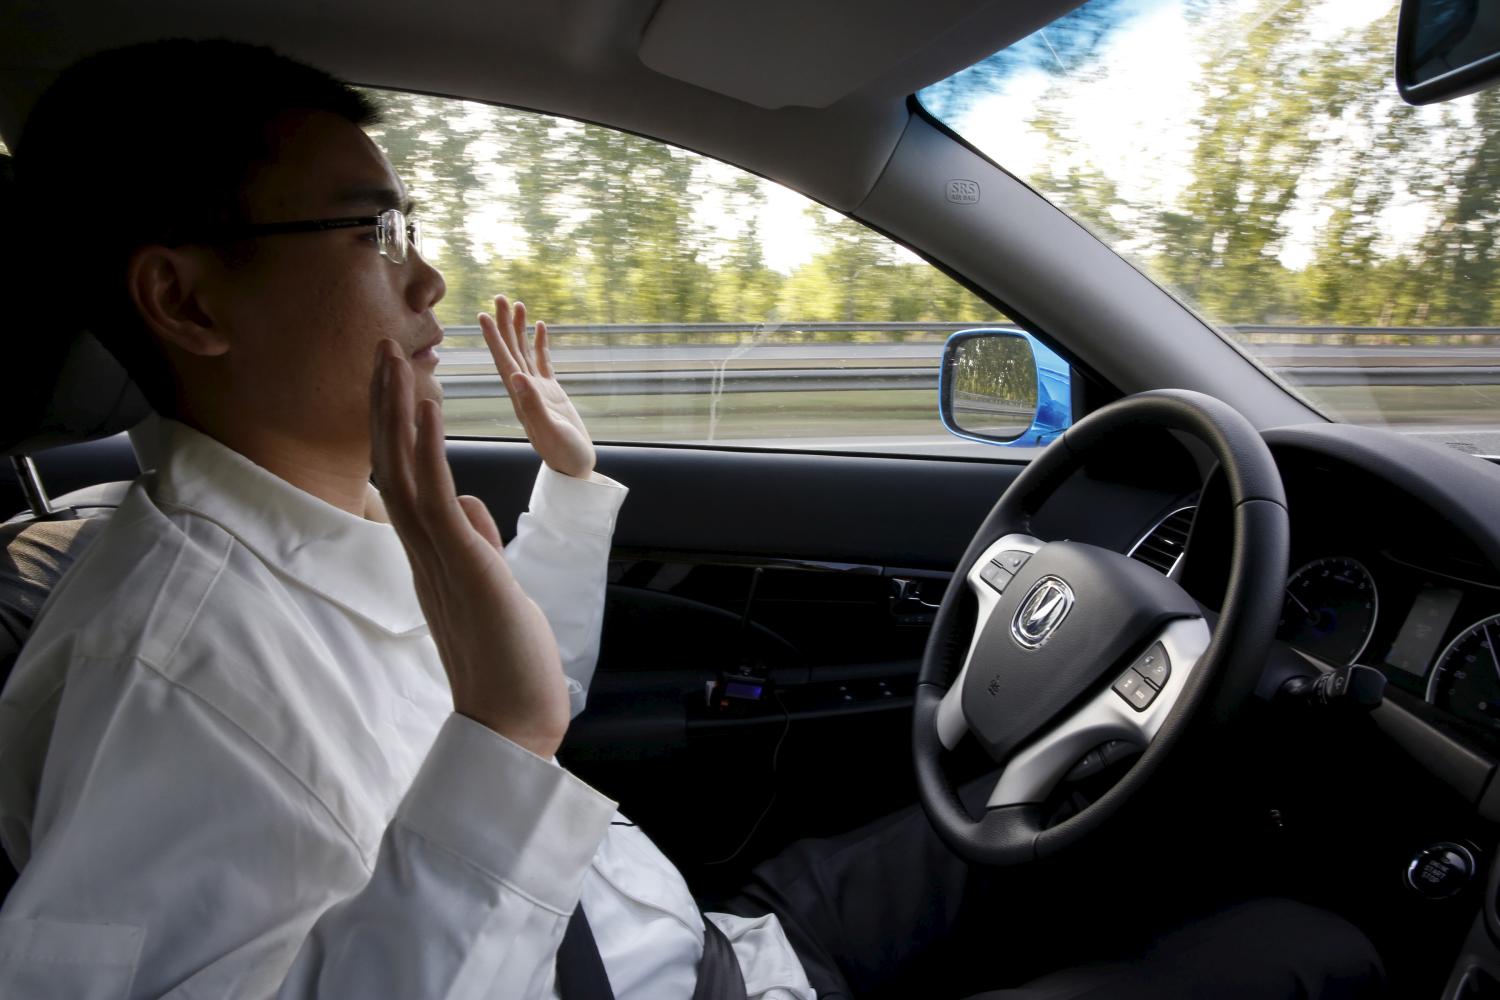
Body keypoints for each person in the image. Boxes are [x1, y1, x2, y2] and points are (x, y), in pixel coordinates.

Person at [0, 39, 1385, 1000]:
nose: (423, 281)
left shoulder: (310, 536)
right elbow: (496, 756)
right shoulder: (167, 671)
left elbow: (511, 726)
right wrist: (497, 741)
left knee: (1124, 814)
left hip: (713, 937)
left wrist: (566, 498)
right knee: (1305, 958)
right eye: (368, 234)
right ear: (186, 301)